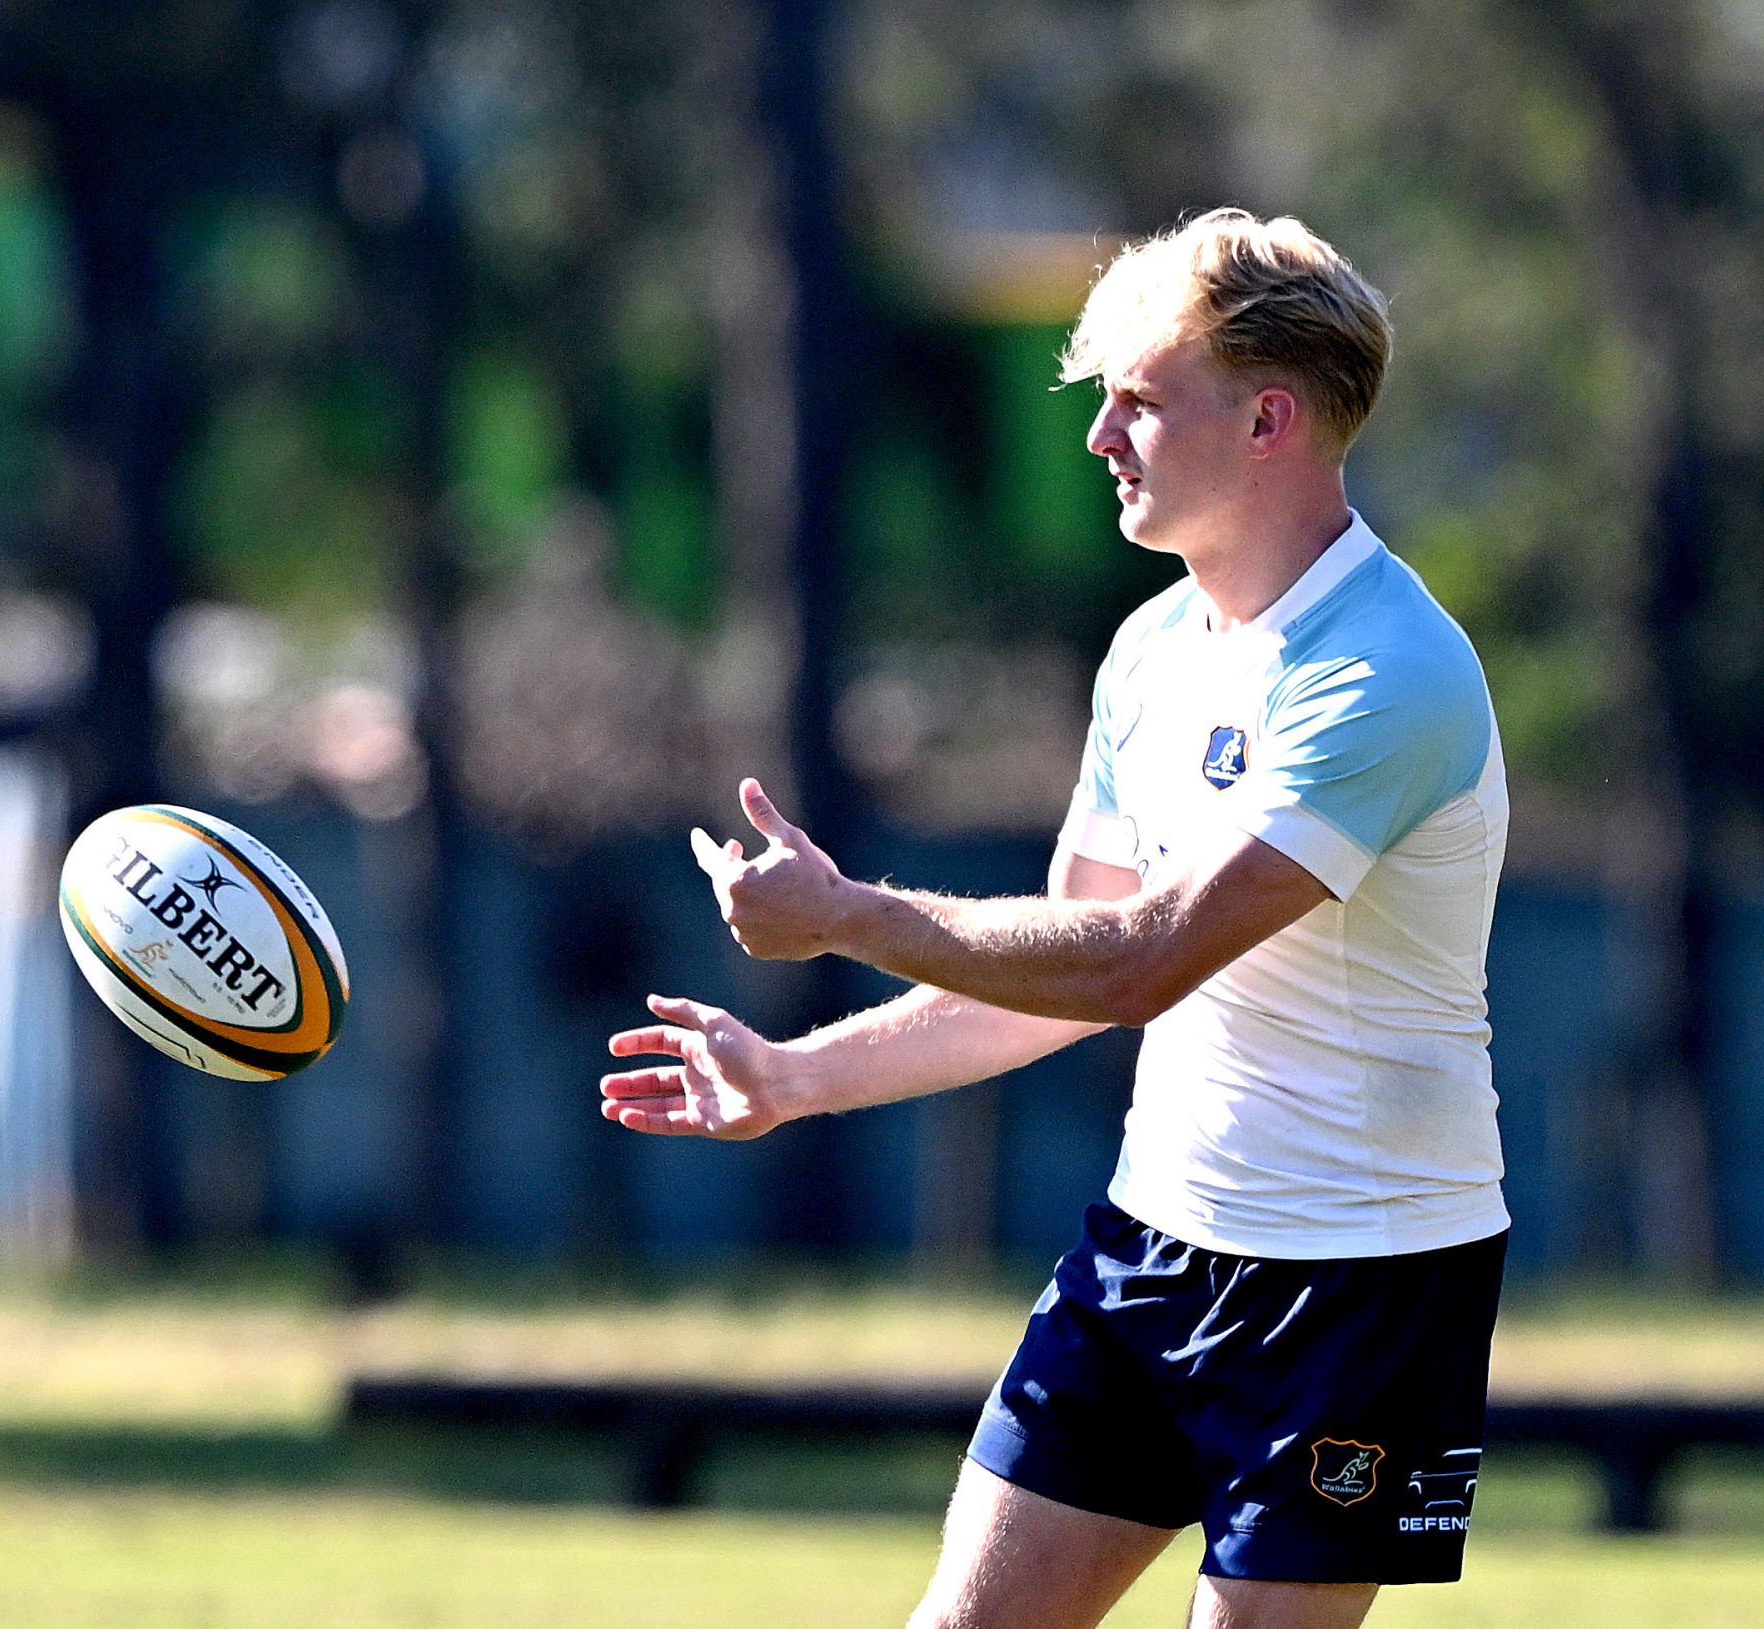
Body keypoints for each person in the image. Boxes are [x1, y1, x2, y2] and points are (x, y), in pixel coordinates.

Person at [601, 207, 1510, 1629]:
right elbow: (1047, 965)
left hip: (1363, 1290)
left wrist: (851, 913)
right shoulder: (1151, 653)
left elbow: (1144, 957)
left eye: (1140, 402)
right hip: (1154, 1248)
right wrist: (794, 1077)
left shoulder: (1388, 672)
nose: (1101, 438)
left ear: (1269, 420)